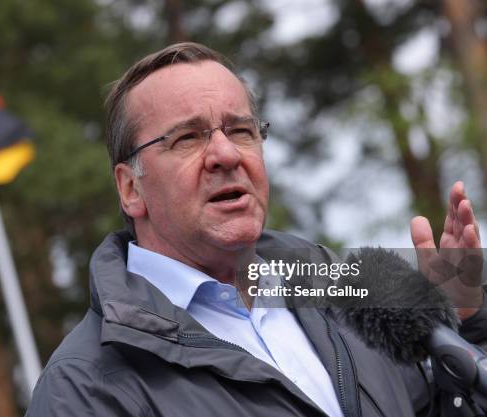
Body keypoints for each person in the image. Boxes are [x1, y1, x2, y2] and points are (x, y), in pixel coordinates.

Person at [25, 42, 487, 417]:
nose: (226, 155)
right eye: (187, 137)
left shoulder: (349, 293)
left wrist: (465, 324)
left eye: (241, 130)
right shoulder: (84, 387)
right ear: (130, 189)